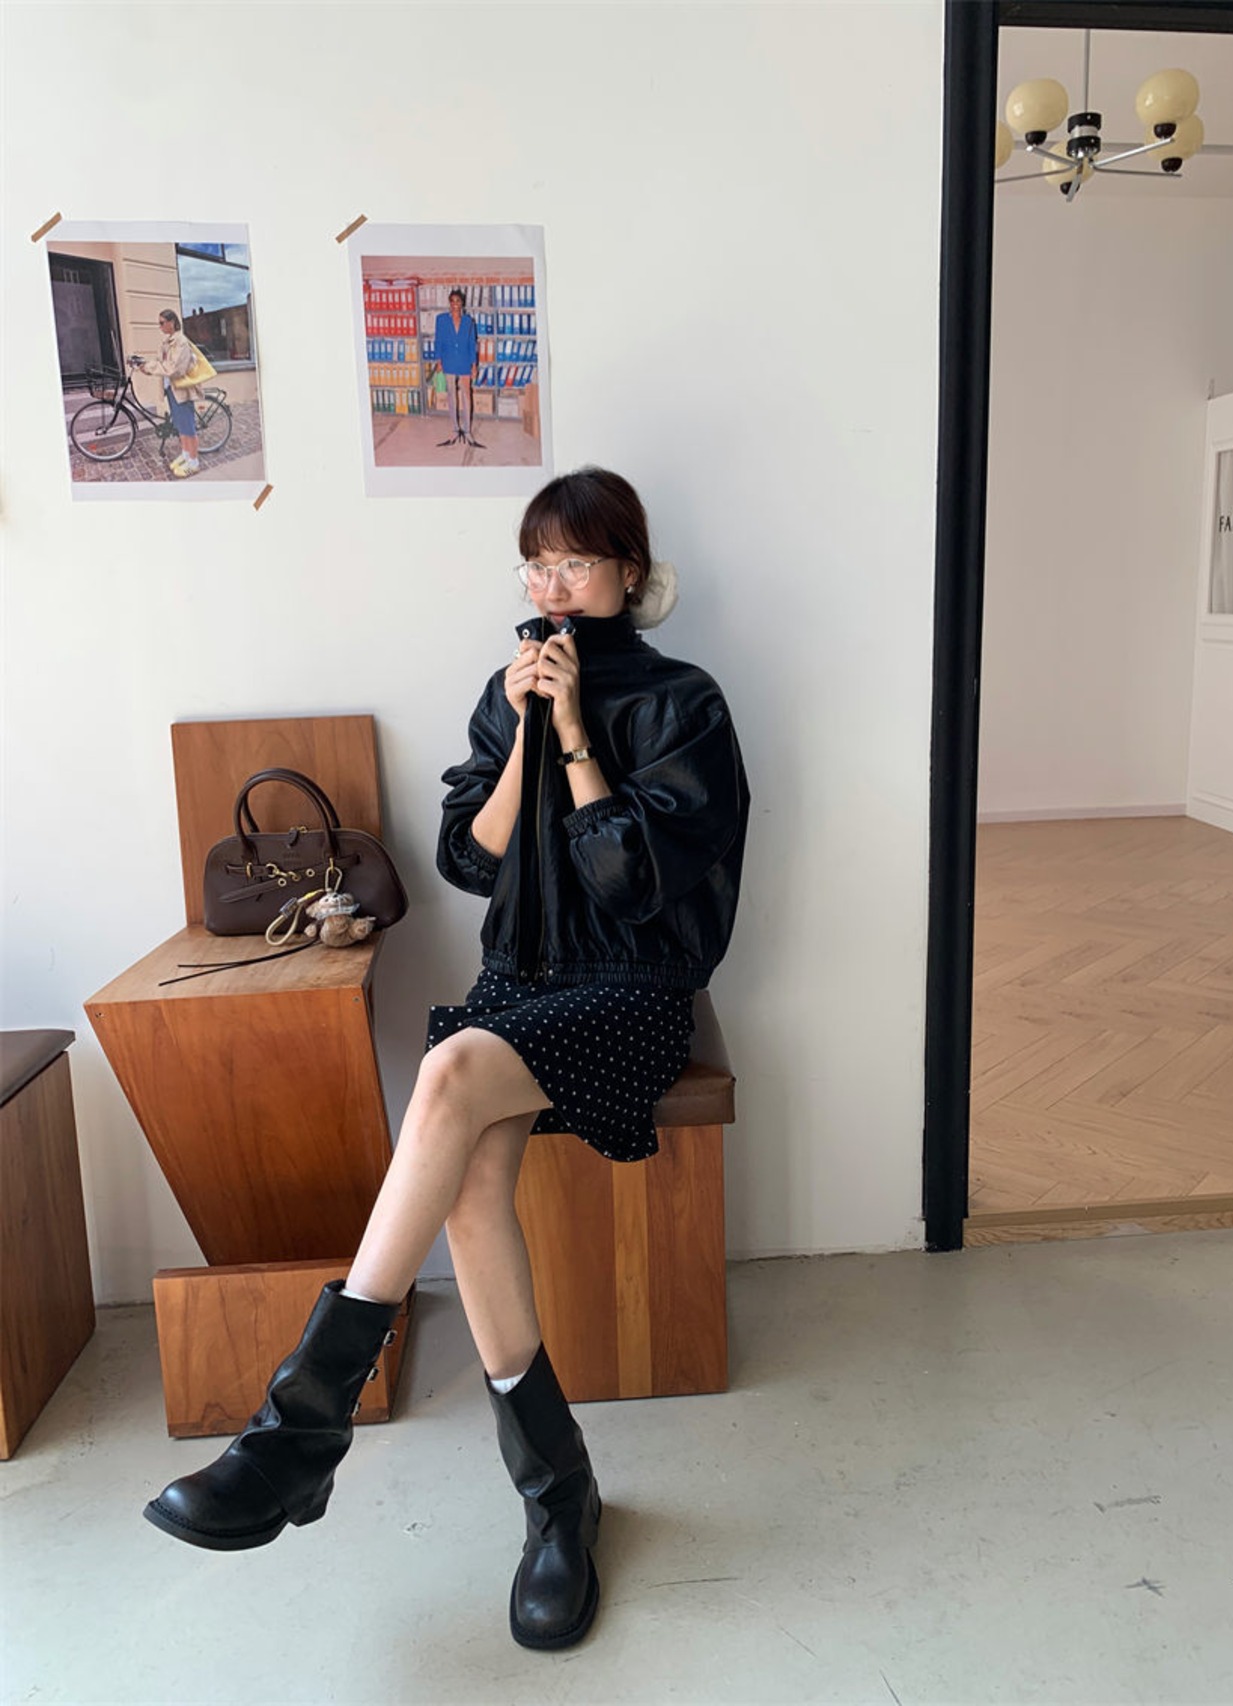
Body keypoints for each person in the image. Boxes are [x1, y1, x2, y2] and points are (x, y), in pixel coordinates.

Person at [143, 467, 750, 1652]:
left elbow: (632, 883)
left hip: (633, 988)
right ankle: (556, 1496)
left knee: (449, 1074)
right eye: (535, 562)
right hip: (519, 981)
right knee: (470, 1175)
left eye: (574, 561)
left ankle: (301, 1429)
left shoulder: (686, 702)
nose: (550, 584)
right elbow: (471, 862)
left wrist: (575, 734)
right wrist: (524, 732)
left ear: (628, 571)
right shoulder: (500, 691)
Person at [133, 309, 204, 478]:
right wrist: (144, 365)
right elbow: (160, 362)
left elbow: (175, 369)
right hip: (171, 389)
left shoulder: (181, 342)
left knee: (188, 428)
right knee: (180, 426)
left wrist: (150, 367)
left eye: (162, 323)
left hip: (182, 390)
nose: (160, 326)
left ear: (172, 322)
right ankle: (186, 456)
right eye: (159, 323)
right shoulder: (167, 342)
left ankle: (194, 463)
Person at [434, 286, 481, 448]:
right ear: (449, 303)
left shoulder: (469, 322)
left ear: (462, 303)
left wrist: (473, 365)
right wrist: (438, 360)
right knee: (451, 395)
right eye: (452, 301)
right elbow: (438, 340)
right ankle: (455, 430)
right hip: (448, 361)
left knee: (466, 395)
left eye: (458, 301)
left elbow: (472, 344)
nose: (455, 304)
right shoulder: (441, 320)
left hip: (464, 361)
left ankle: (467, 431)